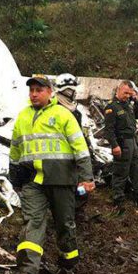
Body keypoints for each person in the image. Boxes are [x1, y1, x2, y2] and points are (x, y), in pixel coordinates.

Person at [9, 75, 95, 274]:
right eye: (32, 91)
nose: (34, 94)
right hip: (33, 181)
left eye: (39, 90)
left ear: (50, 92)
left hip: (61, 180)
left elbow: (80, 148)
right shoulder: (23, 117)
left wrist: (86, 177)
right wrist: (14, 178)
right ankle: (27, 269)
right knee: (33, 222)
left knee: (64, 224)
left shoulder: (64, 115)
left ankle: (68, 264)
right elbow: (15, 149)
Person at [54, 73, 93, 222]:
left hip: (76, 153)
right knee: (64, 187)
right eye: (70, 90)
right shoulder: (55, 109)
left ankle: (78, 210)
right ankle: (64, 214)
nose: (72, 92)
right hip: (61, 155)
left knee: (81, 183)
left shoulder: (74, 110)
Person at [103, 80, 138, 209]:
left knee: (136, 170)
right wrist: (114, 145)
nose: (127, 95)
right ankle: (118, 199)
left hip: (132, 141)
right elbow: (108, 130)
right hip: (122, 143)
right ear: (118, 90)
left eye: (129, 93)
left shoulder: (128, 105)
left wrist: (137, 101)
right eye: (125, 92)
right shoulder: (112, 107)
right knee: (121, 171)